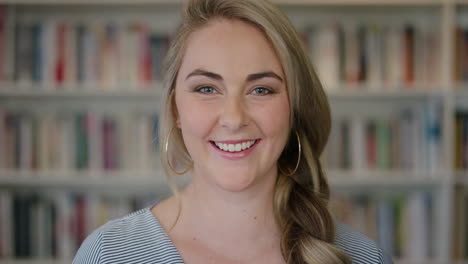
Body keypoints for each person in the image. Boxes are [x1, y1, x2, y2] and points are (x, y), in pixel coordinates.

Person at [73, 0, 393, 263]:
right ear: (175, 109)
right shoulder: (109, 254)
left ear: (294, 109)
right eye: (207, 88)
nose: (233, 118)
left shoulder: (362, 257)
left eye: (261, 90)